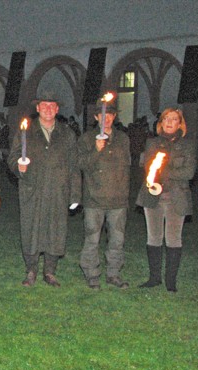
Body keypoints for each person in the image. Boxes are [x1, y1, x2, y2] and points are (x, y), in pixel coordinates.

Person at [8, 91, 81, 288]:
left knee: (55, 230)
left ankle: (50, 271)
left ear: (57, 109)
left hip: (58, 190)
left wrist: (75, 194)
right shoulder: (26, 131)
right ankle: (31, 270)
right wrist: (18, 166)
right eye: (44, 105)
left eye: (52, 106)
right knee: (31, 229)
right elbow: (12, 158)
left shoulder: (67, 134)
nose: (48, 109)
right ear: (38, 108)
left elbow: (74, 165)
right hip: (33, 189)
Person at [136, 108, 197, 292]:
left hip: (176, 198)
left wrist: (164, 170)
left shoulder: (187, 145)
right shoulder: (152, 142)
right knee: (153, 237)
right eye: (166, 119)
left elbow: (189, 172)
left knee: (173, 239)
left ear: (180, 123)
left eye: (174, 119)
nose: (170, 122)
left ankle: (171, 282)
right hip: (153, 197)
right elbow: (147, 166)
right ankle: (154, 278)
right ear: (160, 123)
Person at [78, 99, 131, 289]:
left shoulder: (123, 139)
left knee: (117, 240)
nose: (106, 118)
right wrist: (96, 150)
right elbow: (81, 165)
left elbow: (127, 168)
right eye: (102, 115)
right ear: (96, 117)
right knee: (92, 239)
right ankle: (92, 274)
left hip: (118, 199)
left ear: (114, 117)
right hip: (94, 199)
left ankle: (113, 273)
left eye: (110, 115)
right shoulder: (86, 139)